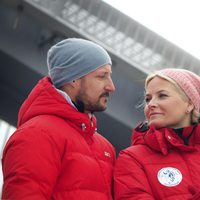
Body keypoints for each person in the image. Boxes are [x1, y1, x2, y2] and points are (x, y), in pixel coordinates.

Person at [2, 38, 116, 200]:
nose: (111, 86)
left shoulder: (106, 147)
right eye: (102, 76)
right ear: (73, 79)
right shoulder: (36, 135)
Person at [114, 68, 200, 200]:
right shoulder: (132, 158)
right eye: (148, 99)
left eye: (162, 96)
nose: (151, 104)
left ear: (189, 104)